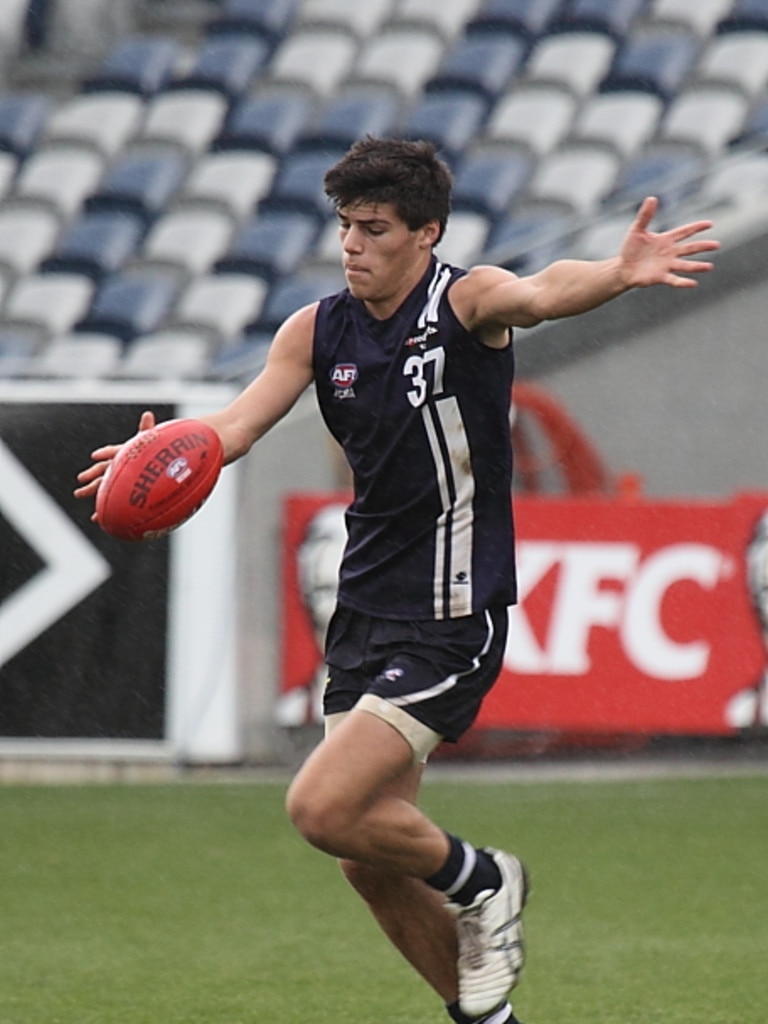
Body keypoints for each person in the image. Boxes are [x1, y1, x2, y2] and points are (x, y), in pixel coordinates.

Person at [75, 137, 719, 1024]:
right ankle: (488, 1021)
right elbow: (235, 425)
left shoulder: (467, 300)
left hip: (453, 612)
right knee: (364, 857)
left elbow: (540, 293)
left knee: (319, 806)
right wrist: (162, 455)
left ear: (426, 233)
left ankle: (487, 881)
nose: (352, 246)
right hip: (363, 612)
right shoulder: (314, 330)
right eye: (345, 226)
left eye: (374, 229)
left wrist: (618, 271)